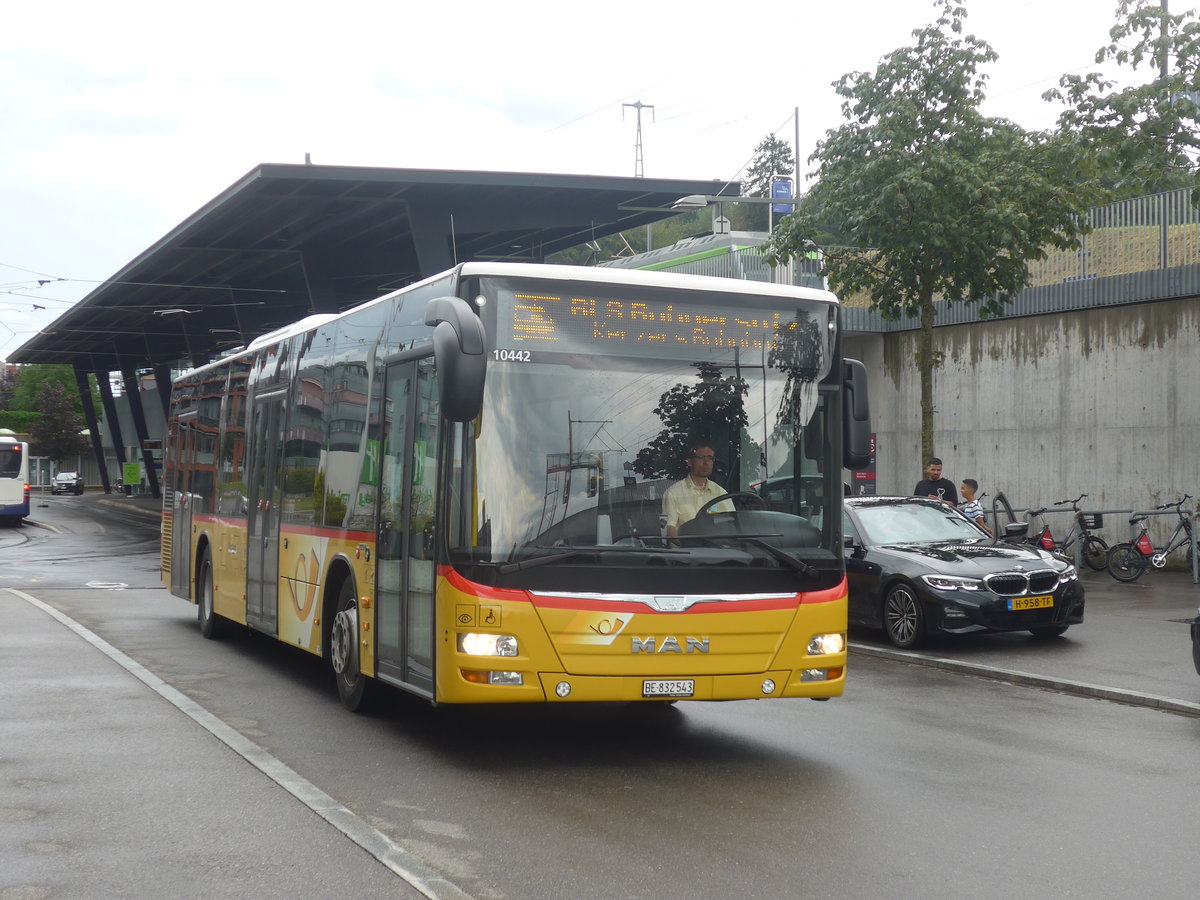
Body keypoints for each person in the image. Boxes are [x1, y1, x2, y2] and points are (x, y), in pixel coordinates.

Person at [662, 444, 734, 540]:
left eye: (710, 458)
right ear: (690, 462)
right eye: (701, 457)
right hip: (687, 549)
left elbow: (732, 525)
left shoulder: (721, 493)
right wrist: (688, 545)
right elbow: (669, 528)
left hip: (717, 548)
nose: (706, 462)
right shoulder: (673, 493)